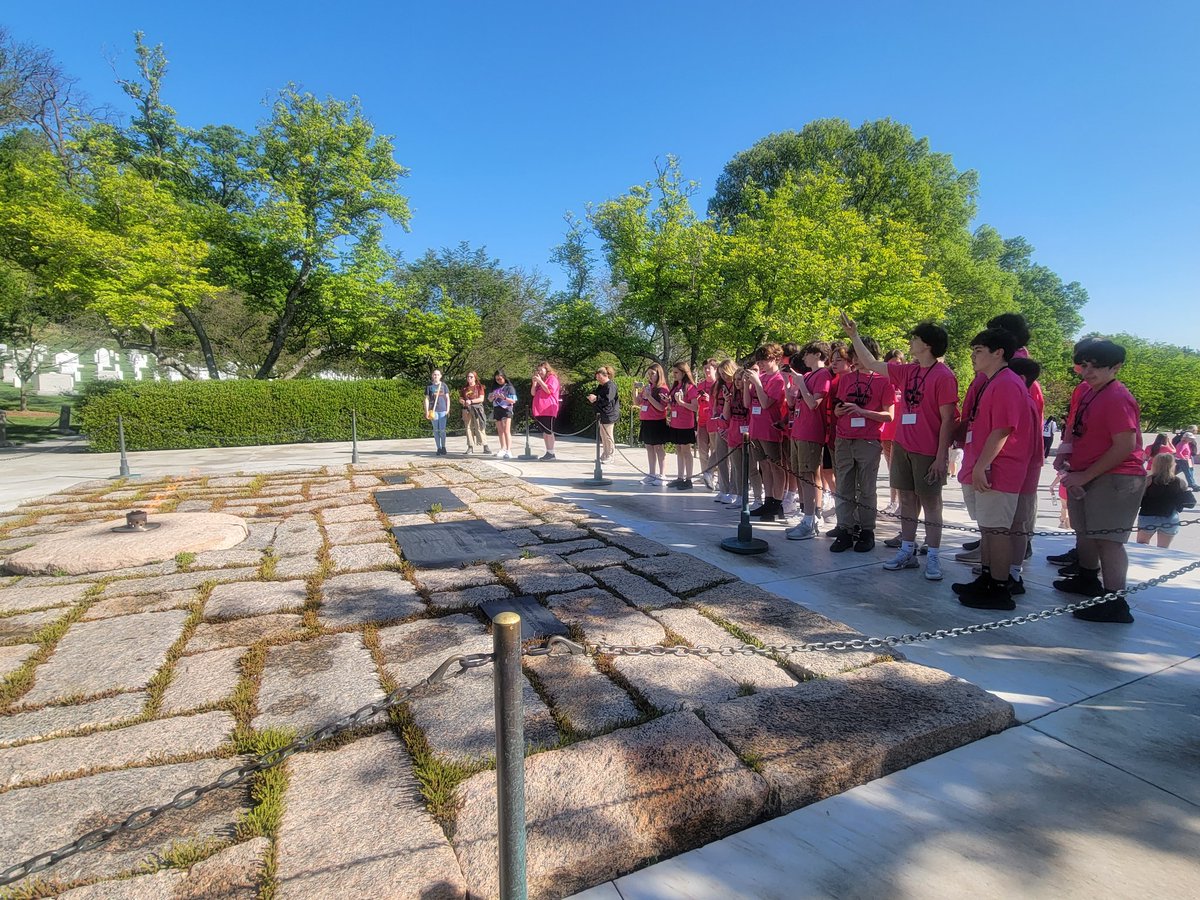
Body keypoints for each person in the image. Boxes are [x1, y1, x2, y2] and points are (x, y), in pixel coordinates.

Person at [843, 317, 958, 580]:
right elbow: (872, 364)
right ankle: (907, 551)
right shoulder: (908, 370)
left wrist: (941, 457)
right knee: (906, 500)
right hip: (903, 446)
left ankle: (934, 557)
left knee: (931, 503)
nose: (910, 342)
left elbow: (949, 420)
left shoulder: (944, 376)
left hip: (928, 450)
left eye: (915, 338)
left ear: (927, 345)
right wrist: (854, 336)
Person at [1054, 339, 1145, 623]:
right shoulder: (1092, 392)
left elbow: (1124, 445)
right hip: (1089, 474)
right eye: (1085, 364)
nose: (1088, 371)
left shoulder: (1117, 396)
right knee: (1088, 534)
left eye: (1097, 366)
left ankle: (1115, 602)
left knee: (1108, 541)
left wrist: (1086, 474)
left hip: (1116, 478)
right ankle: (1088, 579)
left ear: (1115, 367)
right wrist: (1068, 458)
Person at [950, 328, 1039, 610]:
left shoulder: (1006, 383)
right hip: (990, 467)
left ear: (998, 352)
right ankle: (988, 578)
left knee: (997, 530)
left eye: (978, 351)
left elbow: (1002, 429)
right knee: (988, 529)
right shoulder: (995, 381)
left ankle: (999, 588)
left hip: (1000, 469)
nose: (974, 357)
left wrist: (981, 466)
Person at [829, 324, 894, 552]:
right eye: (853, 355)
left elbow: (889, 415)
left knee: (866, 488)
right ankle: (845, 529)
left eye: (858, 354)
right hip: (844, 439)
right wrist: (840, 412)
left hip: (868, 440)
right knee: (844, 485)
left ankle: (867, 531)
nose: (855, 359)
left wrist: (862, 411)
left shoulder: (884, 381)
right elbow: (838, 407)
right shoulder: (846, 379)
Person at [784, 342, 832, 541]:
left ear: (818, 354)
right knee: (801, 475)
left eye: (807, 354)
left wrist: (801, 384)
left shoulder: (823, 375)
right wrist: (793, 387)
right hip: (798, 430)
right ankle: (807, 517)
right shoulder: (809, 375)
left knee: (809, 476)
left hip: (811, 433)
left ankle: (811, 520)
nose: (803, 358)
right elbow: (796, 402)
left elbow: (814, 404)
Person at [746, 344, 789, 522]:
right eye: (760, 360)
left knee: (775, 467)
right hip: (756, 427)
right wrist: (747, 385)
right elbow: (748, 403)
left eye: (765, 359)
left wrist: (757, 383)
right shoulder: (761, 376)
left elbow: (765, 403)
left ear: (776, 359)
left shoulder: (778, 380)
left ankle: (777, 502)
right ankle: (768, 500)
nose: (761, 363)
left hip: (771, 429)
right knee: (764, 466)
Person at [1137, 452, 1194, 548]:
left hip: (1148, 516)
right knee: (1163, 549)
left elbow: (1137, 500)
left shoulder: (1148, 480)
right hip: (1170, 516)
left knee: (1142, 546)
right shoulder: (1180, 482)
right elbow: (1189, 503)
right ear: (1172, 465)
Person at [879, 349, 905, 516]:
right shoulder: (883, 380)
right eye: (892, 363)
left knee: (899, 469)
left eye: (899, 363)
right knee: (890, 468)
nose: (896, 366)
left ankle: (902, 503)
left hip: (900, 430)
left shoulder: (905, 380)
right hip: (885, 430)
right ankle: (893, 501)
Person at [666, 363, 700, 489]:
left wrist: (681, 402)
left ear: (683, 373)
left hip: (686, 424)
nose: (674, 375)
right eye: (673, 372)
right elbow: (673, 405)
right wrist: (669, 402)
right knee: (678, 450)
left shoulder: (691, 388)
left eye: (676, 372)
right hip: (675, 423)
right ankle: (680, 477)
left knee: (686, 451)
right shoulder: (676, 387)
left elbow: (695, 407)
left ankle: (689, 479)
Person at [637, 364, 670, 485]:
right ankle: (651, 473)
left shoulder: (663, 389)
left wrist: (649, 397)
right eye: (649, 374)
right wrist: (635, 390)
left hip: (657, 421)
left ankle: (662, 474)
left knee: (658, 447)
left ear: (659, 374)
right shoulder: (647, 387)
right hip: (646, 420)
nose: (650, 376)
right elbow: (638, 402)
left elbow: (662, 407)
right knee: (649, 446)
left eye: (653, 374)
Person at [710, 359, 737, 503]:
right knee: (721, 458)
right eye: (720, 374)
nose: (724, 376)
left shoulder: (737, 385)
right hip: (721, 424)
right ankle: (724, 488)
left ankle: (734, 491)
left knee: (734, 460)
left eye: (725, 373)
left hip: (733, 426)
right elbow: (715, 407)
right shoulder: (719, 386)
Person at [586, 366, 620, 462]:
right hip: (601, 413)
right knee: (603, 435)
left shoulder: (610, 386)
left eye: (599, 377)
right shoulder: (601, 386)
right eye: (597, 378)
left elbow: (607, 400)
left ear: (605, 375)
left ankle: (610, 455)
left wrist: (596, 398)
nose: (598, 380)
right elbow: (597, 395)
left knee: (608, 435)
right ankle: (605, 453)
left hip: (609, 414)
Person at [696, 359, 719, 490]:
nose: (706, 371)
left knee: (716, 449)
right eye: (704, 368)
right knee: (702, 450)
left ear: (715, 369)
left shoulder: (718, 384)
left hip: (714, 420)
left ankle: (717, 475)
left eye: (709, 368)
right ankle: (705, 474)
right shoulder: (700, 385)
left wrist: (710, 399)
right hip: (702, 420)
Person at [531, 362, 561, 460]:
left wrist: (540, 381)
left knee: (549, 431)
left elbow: (549, 390)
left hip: (548, 409)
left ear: (546, 369)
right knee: (544, 432)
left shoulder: (552, 378)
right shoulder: (541, 381)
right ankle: (548, 451)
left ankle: (551, 452)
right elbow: (532, 393)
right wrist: (534, 383)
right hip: (539, 410)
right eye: (538, 370)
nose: (539, 372)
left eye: (541, 370)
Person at [489, 370, 517, 458]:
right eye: (497, 379)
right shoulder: (494, 387)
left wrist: (504, 397)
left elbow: (513, 400)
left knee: (506, 430)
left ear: (504, 378)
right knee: (500, 431)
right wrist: (492, 396)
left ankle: (508, 450)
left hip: (506, 409)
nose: (499, 381)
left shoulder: (509, 387)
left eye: (500, 379)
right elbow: (489, 399)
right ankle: (503, 448)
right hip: (497, 409)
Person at [460, 371, 489, 455]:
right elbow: (461, 398)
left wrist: (471, 401)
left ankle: (485, 445)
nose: (469, 378)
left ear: (475, 378)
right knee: (468, 428)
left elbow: (481, 399)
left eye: (471, 377)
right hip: (466, 409)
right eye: (468, 377)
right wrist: (462, 401)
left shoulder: (479, 387)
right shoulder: (464, 388)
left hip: (477, 409)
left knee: (479, 426)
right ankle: (470, 446)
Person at [423, 368, 451, 455]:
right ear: (432, 376)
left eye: (438, 374)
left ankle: (443, 446)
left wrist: (448, 409)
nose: (436, 376)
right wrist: (427, 411)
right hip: (433, 410)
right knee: (435, 430)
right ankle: (438, 448)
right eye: (434, 374)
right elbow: (427, 399)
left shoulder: (444, 385)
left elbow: (447, 398)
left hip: (442, 410)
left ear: (440, 376)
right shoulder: (429, 387)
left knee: (442, 430)